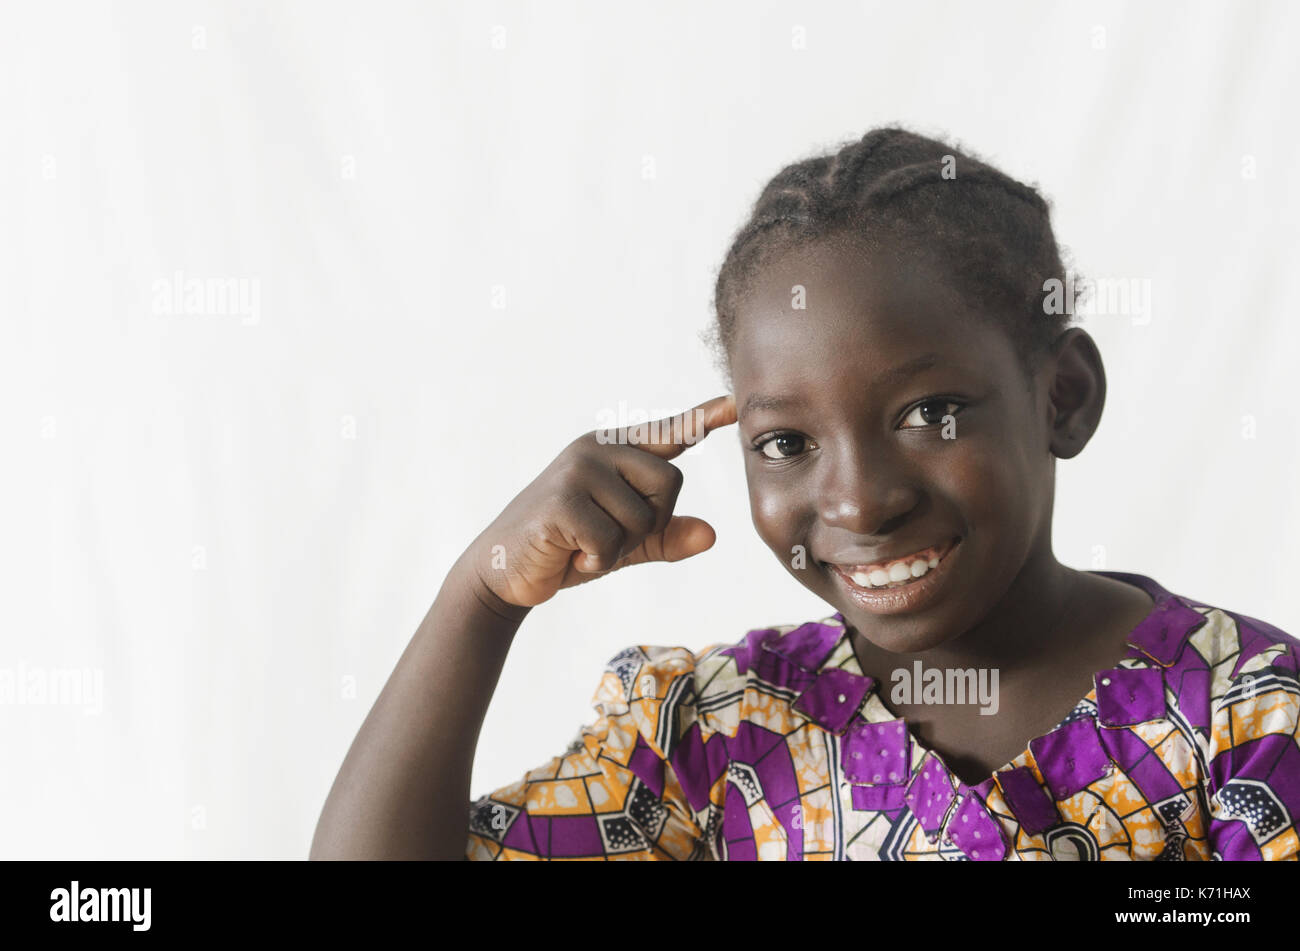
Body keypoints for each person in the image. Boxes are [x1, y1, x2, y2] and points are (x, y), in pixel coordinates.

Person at [309, 126, 1299, 861]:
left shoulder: (1244, 721)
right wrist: (478, 599)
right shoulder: (716, 735)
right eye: (786, 440)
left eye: (929, 414)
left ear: (1063, 398)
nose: (859, 503)